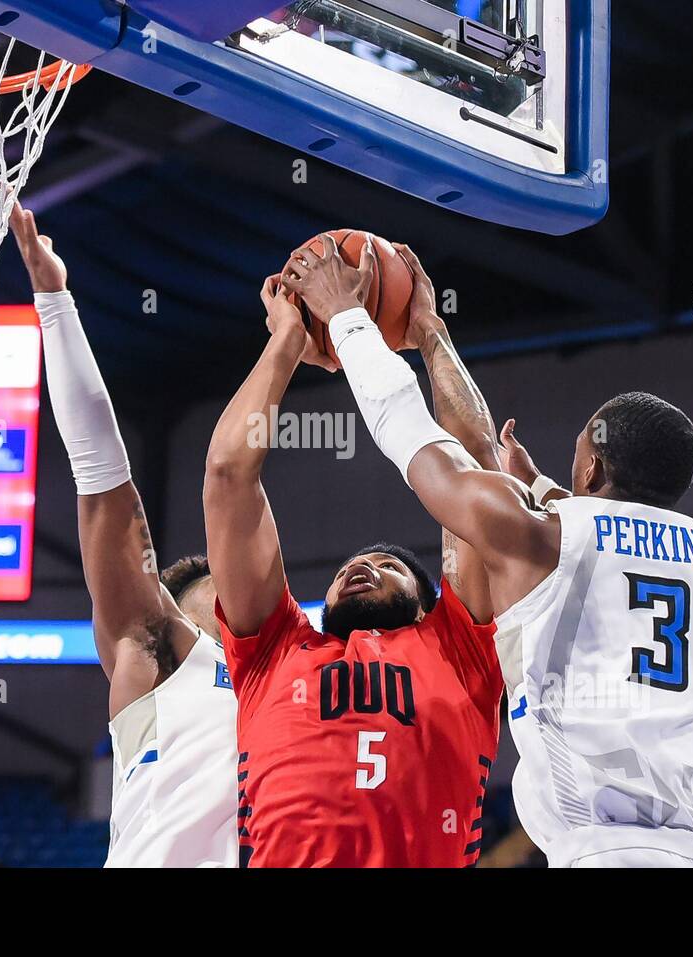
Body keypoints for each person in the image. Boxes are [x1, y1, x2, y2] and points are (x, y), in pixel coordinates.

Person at [283, 237, 693, 868]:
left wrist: (349, 316)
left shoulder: (543, 535)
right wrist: (542, 485)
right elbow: (613, 528)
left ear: (592, 464)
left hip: (609, 852)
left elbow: (412, 435)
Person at [202, 255, 504, 867]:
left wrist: (430, 334)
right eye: (347, 570)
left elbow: (473, 465)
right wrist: (286, 340)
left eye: (388, 566)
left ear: (426, 604)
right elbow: (229, 474)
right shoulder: (272, 649)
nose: (357, 568)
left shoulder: (461, 646)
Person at [9, 203, 237, 868]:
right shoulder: (163, 652)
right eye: (220, 596)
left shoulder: (295, 681)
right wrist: (55, 302)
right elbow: (106, 484)